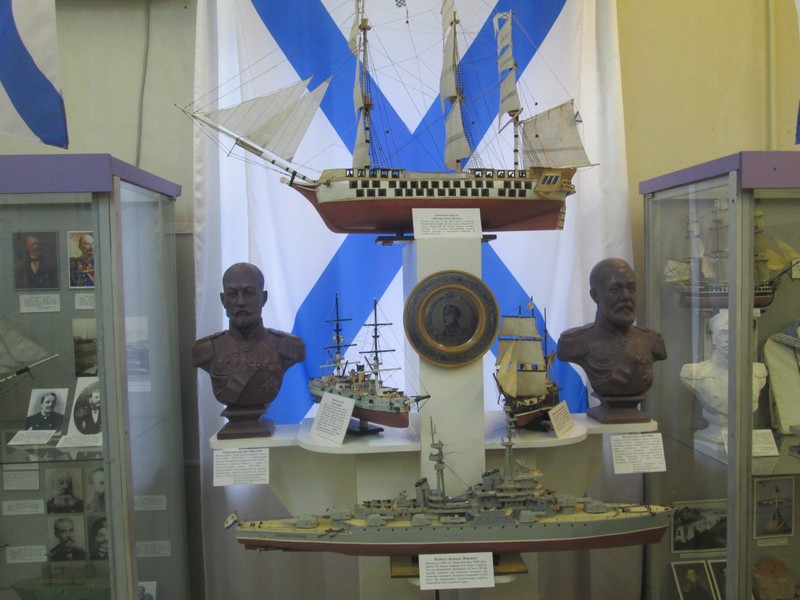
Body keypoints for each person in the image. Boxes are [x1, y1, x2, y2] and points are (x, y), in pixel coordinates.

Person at [192, 263, 306, 438]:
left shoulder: (288, 347)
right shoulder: (206, 350)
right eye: (232, 294)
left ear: (263, 298)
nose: (240, 302)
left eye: (249, 293)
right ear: (223, 300)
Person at [557, 258, 667, 421]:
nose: (626, 297)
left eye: (631, 288)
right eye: (615, 290)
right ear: (595, 295)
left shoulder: (652, 341)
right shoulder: (575, 342)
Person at [680, 309, 767, 443]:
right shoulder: (694, 374)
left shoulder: (758, 373)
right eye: (723, 333)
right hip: (715, 434)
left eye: (736, 334)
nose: (729, 339)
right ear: (714, 339)